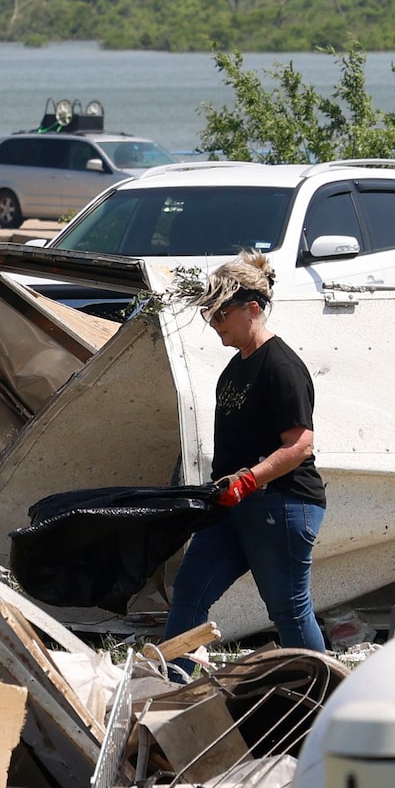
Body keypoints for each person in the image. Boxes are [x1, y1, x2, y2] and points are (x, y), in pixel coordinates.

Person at [164, 253, 326, 652]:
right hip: (234, 505)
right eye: (210, 316)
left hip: (282, 504)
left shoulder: (281, 367)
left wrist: (250, 480)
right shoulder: (234, 370)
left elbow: (301, 443)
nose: (214, 324)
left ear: (253, 309)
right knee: (189, 592)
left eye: (220, 315)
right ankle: (170, 686)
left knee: (288, 609)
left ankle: (319, 697)